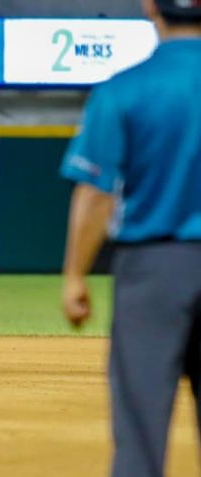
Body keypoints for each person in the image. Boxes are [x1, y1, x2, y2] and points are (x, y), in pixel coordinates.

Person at [60, 1, 201, 475]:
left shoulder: (125, 87)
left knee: (141, 427)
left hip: (153, 271)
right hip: (154, 264)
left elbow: (96, 194)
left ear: (151, 6)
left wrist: (75, 275)